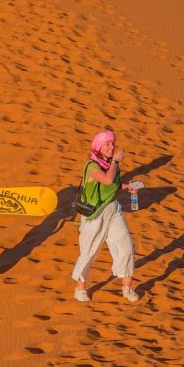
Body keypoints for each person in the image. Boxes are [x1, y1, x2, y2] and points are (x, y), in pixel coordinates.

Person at [71, 130, 139, 303]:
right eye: (107, 144)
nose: (111, 147)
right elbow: (107, 180)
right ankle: (80, 289)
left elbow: (113, 186)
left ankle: (127, 287)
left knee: (126, 247)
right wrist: (115, 161)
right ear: (98, 147)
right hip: (94, 214)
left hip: (113, 210)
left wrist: (126, 187)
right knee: (89, 251)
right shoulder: (91, 166)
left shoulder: (112, 165)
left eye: (112, 143)